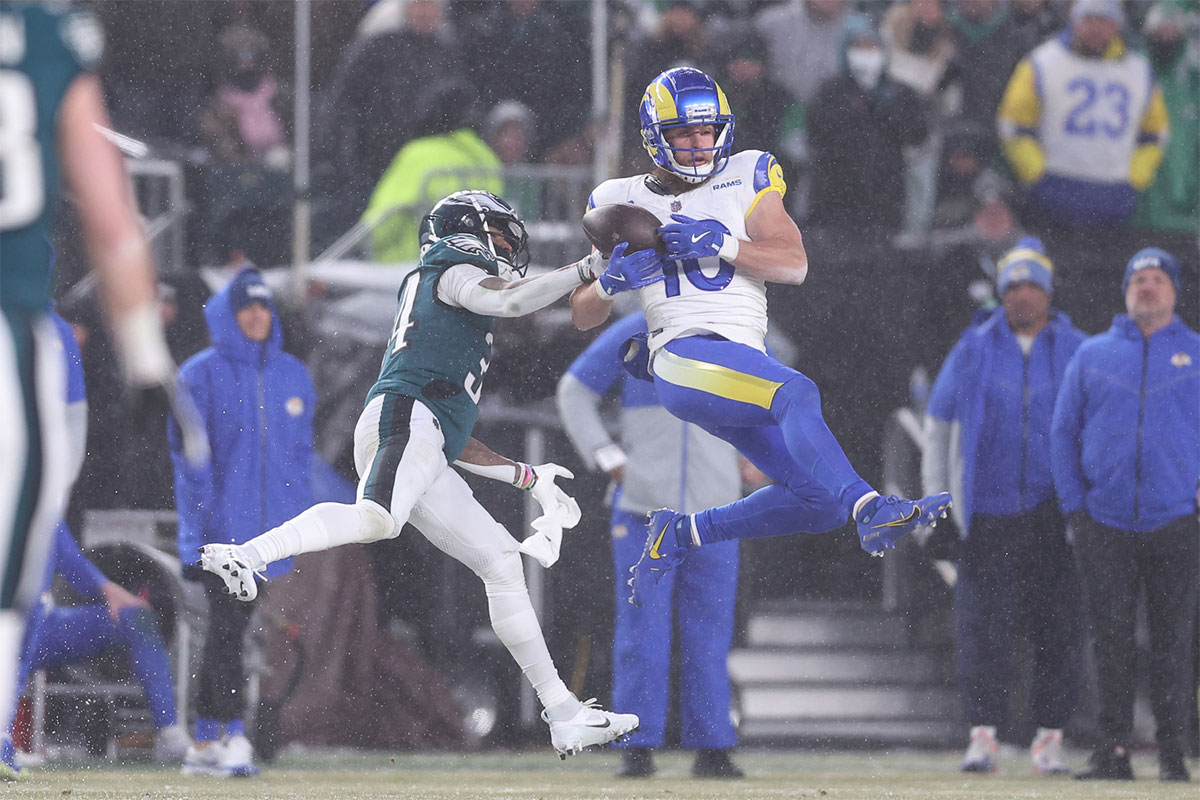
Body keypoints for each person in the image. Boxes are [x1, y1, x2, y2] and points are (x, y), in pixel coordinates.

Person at [197, 191, 640, 758]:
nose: (507, 249)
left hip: (421, 428)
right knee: (377, 517)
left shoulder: (453, 316)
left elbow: (447, 439)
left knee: (502, 562)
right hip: (404, 416)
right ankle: (248, 556)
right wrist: (587, 267)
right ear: (467, 233)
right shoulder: (452, 268)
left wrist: (526, 477)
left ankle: (562, 713)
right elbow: (510, 305)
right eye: (500, 236)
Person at [568, 66, 953, 608]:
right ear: (656, 135)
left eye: (706, 131)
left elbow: (793, 263)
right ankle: (871, 507)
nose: (699, 145)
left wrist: (723, 244)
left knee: (820, 503)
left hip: (740, 365)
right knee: (796, 393)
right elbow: (581, 314)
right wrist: (607, 285)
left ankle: (681, 533)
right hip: (681, 356)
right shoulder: (621, 199)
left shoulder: (748, 174)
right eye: (684, 133)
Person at [0, 2, 198, 781]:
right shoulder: (48, 41)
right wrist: (146, 355)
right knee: (19, 546)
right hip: (15, 344)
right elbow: (117, 224)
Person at [922, 238, 1085, 775]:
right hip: (987, 515)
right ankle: (984, 735)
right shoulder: (973, 347)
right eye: (1012, 285)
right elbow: (939, 428)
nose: (1021, 295)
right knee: (982, 632)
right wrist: (936, 508)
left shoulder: (1078, 349)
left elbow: (1096, 429)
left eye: (1031, 284)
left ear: (1049, 291)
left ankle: (1048, 737)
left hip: (1052, 516)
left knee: (1057, 631)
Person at [556, 311, 743, 779]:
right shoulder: (636, 331)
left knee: (709, 634)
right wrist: (605, 454)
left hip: (714, 512)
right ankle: (639, 748)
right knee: (643, 634)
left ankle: (713, 746)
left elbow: (782, 400)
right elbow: (573, 391)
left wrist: (767, 452)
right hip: (647, 513)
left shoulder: (738, 331)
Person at [1050, 248, 1199, 782]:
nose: (1148, 287)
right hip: (1105, 522)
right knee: (1108, 641)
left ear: (1175, 290)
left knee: (1173, 642)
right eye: (1139, 279)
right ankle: (1111, 751)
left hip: (1176, 521)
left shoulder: (1196, 355)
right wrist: (1077, 507)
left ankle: (1174, 753)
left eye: (1158, 279)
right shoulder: (1092, 355)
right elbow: (1063, 433)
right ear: (1125, 290)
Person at [168, 268, 314, 778]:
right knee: (228, 632)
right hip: (219, 536)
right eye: (245, 307)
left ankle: (207, 742)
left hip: (264, 538)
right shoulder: (199, 375)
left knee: (230, 633)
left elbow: (298, 458)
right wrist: (200, 533)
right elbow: (191, 465)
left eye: (263, 306)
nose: (256, 315)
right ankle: (229, 736)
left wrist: (295, 527)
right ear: (228, 315)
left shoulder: (293, 375)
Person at [997, 0, 1170, 229]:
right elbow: (1014, 125)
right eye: (1089, 19)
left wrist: (1135, 178)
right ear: (1075, 20)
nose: (1095, 28)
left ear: (1117, 26)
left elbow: (1155, 134)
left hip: (1114, 195)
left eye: (1104, 21)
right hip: (1054, 190)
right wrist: (1036, 175)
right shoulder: (1043, 62)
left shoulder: (1138, 70)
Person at [362, 80, 503, 263]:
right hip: (474, 269)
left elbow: (386, 219)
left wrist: (368, 243)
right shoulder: (486, 158)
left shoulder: (420, 154)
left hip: (412, 268)